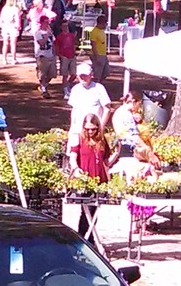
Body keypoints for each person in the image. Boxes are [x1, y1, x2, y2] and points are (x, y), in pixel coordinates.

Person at [68, 114, 117, 242]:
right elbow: (73, 157)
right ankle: (85, 240)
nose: (90, 132)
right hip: (85, 180)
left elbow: (106, 162)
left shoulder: (102, 140)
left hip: (99, 181)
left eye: (93, 129)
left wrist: (116, 153)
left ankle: (87, 240)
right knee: (86, 212)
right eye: (87, 128)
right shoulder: (79, 138)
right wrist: (76, 168)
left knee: (93, 212)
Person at [68, 63, 111, 134]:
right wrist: (72, 127)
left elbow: (107, 109)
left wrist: (101, 126)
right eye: (81, 76)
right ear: (77, 76)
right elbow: (74, 109)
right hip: (78, 129)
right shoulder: (75, 89)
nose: (83, 78)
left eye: (85, 75)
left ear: (91, 75)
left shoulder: (99, 88)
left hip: (94, 129)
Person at [34, 16, 57, 98]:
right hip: (42, 55)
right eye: (46, 22)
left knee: (52, 74)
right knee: (43, 74)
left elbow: (53, 43)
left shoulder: (50, 33)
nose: (48, 24)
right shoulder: (38, 33)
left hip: (50, 55)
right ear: (42, 22)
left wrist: (55, 54)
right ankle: (44, 89)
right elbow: (42, 43)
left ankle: (43, 85)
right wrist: (47, 35)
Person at [55, 24, 78, 99]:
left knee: (74, 74)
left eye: (66, 26)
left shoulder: (71, 36)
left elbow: (73, 44)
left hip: (72, 56)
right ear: (61, 28)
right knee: (65, 74)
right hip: (64, 56)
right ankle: (65, 91)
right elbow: (56, 47)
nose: (66, 28)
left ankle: (68, 85)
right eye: (64, 26)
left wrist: (75, 53)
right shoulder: (59, 37)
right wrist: (60, 55)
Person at [0, 0, 22, 65]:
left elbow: (1, 19)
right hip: (13, 27)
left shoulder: (4, 8)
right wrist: (18, 27)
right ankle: (13, 59)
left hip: (5, 27)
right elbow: (17, 19)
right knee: (13, 44)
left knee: (5, 43)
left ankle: (4, 59)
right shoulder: (15, 9)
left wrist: (2, 25)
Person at [89, 15, 109, 84]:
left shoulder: (101, 31)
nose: (106, 25)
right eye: (105, 23)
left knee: (106, 71)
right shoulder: (94, 32)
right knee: (97, 73)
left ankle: (99, 83)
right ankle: (95, 85)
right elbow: (93, 45)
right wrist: (96, 56)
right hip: (98, 54)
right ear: (101, 23)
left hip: (103, 54)